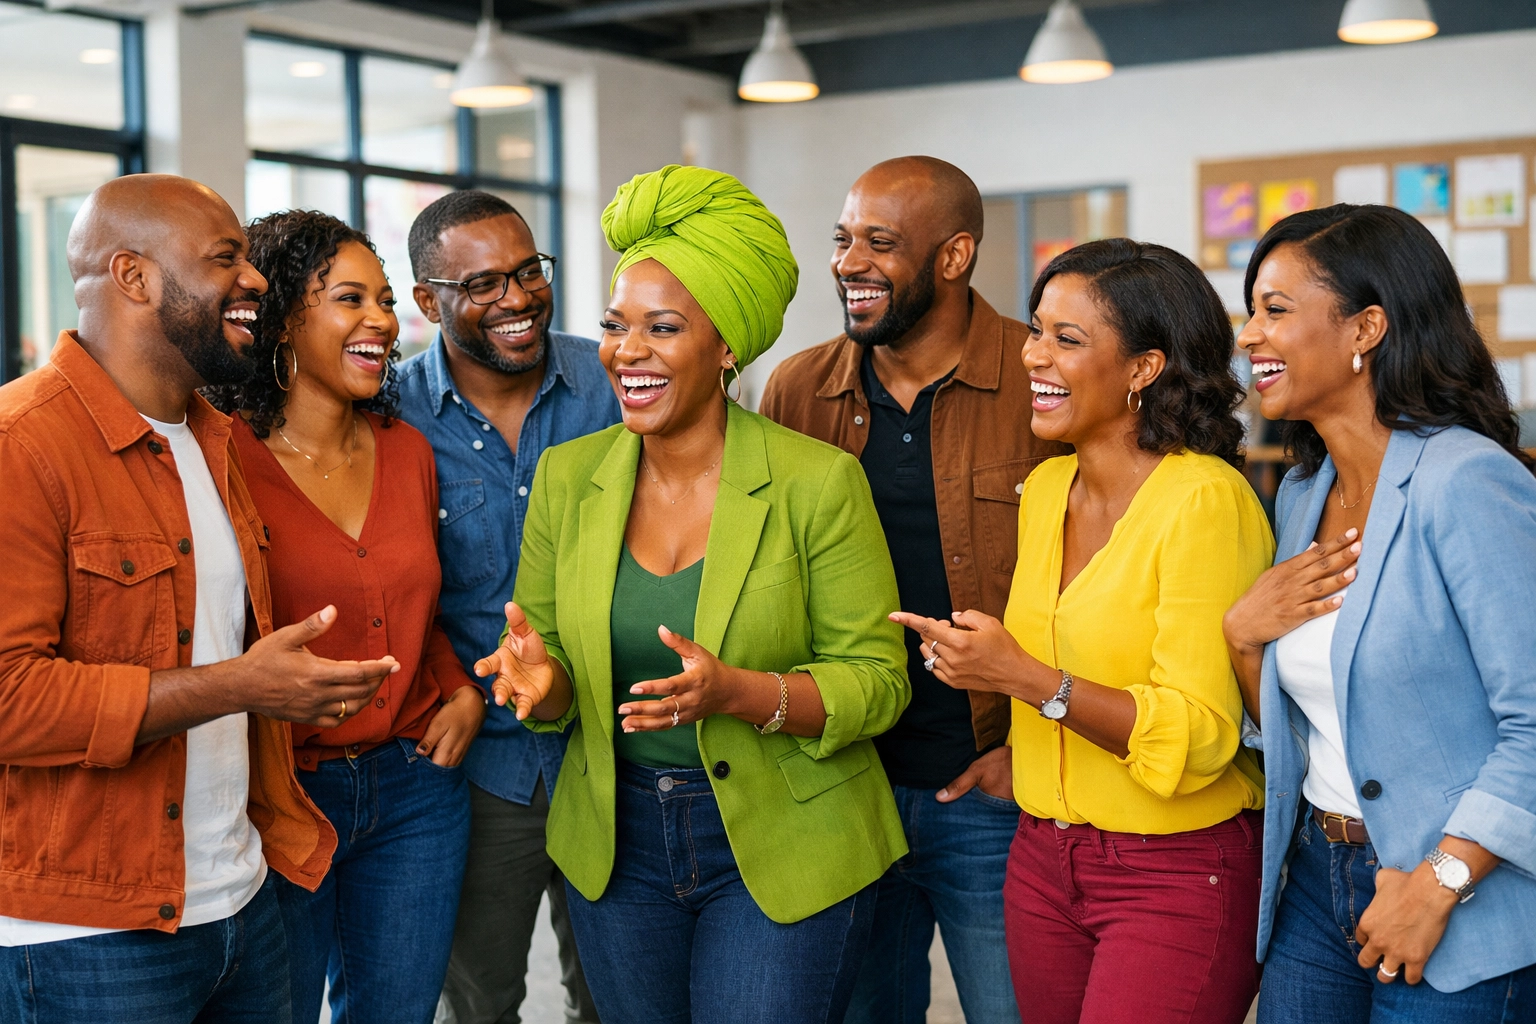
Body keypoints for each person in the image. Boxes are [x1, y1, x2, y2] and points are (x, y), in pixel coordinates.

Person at [475, 165, 911, 1024]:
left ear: (726, 349)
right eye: (614, 326)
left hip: (785, 837)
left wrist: (737, 692)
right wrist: (543, 684)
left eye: (662, 328)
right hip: (618, 842)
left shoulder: (817, 482)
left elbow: (878, 681)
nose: (626, 351)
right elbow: (549, 663)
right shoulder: (567, 478)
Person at [0, 175, 400, 1022]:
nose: (253, 280)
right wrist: (240, 686)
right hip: (86, 934)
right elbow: (9, 699)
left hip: (241, 901)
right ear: (134, 276)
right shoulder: (21, 445)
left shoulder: (215, 440)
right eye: (225, 259)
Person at [892, 238, 1273, 1024]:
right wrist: (997, 695)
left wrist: (1024, 679)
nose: (1034, 355)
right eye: (1036, 330)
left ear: (1144, 368)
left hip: (1174, 870)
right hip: (1041, 859)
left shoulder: (1205, 500)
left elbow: (1201, 735)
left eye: (1066, 339)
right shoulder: (1046, 488)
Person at [760, 155, 1065, 1024]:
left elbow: (1101, 574)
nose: (849, 262)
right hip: (846, 786)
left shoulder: (1040, 376)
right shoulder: (799, 389)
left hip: (993, 790)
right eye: (843, 239)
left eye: (880, 243)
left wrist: (1031, 750)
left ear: (955, 255)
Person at [1223, 204, 1536, 1023]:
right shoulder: (1303, 493)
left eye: (1275, 309)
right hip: (1315, 884)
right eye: (1252, 311)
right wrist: (1244, 642)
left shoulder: (1466, 482)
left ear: (1365, 327)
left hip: (1454, 897)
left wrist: (1441, 882)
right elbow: (1309, 727)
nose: (1250, 335)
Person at [203, 210, 486, 1024]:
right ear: (284, 318)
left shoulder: (407, 450)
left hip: (415, 789)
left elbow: (419, 608)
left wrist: (459, 689)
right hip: (282, 793)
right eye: (350, 299)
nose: (381, 321)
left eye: (386, 301)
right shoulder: (222, 458)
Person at [396, 190, 616, 1024]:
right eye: (482, 284)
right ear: (429, 303)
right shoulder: (389, 416)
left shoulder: (612, 384)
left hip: (616, 757)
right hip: (477, 773)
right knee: (479, 1005)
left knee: (620, 1001)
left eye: (529, 271)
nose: (517, 298)